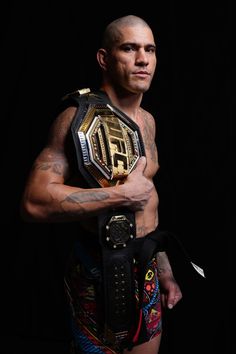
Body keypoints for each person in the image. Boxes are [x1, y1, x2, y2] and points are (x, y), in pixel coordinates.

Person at [20, 15, 183, 354]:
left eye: (149, 49)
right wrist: (120, 194)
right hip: (98, 270)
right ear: (104, 59)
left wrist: (163, 266)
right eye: (129, 48)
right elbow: (34, 202)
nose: (143, 59)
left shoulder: (148, 121)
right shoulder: (76, 118)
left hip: (147, 269)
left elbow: (148, 202)